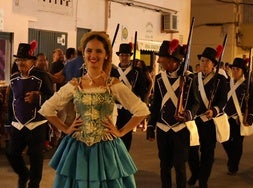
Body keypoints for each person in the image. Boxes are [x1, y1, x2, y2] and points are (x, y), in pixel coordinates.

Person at [38, 31, 150, 188]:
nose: (93, 55)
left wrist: (120, 132)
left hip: (106, 149)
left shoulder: (113, 84)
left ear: (106, 55)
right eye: (89, 50)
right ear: (83, 53)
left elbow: (142, 110)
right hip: (78, 148)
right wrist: (66, 129)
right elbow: (47, 109)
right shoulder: (75, 84)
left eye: (99, 51)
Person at [146, 40, 200, 188]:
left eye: (161, 58)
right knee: (164, 167)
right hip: (163, 129)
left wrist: (188, 114)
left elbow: (196, 102)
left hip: (180, 129)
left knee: (180, 168)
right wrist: (151, 125)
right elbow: (156, 104)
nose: (158, 60)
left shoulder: (190, 78)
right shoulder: (159, 79)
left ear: (171, 60)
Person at [5, 41, 54, 188]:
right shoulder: (13, 78)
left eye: (23, 60)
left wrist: (38, 98)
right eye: (18, 60)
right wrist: (8, 123)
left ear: (32, 61)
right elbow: (10, 102)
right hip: (17, 124)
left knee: (35, 158)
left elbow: (52, 98)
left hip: (37, 124)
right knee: (12, 154)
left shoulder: (42, 76)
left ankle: (34, 185)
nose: (20, 63)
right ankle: (23, 174)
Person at [187, 47, 228, 188]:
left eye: (207, 61)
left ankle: (203, 180)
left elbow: (223, 100)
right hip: (195, 120)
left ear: (213, 64)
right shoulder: (193, 78)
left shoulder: (221, 79)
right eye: (202, 60)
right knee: (191, 152)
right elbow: (190, 99)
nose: (204, 63)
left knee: (207, 153)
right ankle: (195, 173)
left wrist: (215, 110)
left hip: (210, 122)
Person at [222, 58, 253, 175]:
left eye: (238, 69)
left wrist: (249, 117)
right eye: (233, 69)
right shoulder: (227, 82)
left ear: (243, 71)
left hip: (239, 119)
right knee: (224, 140)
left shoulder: (247, 85)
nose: (235, 71)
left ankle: (233, 166)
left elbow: (252, 103)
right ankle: (232, 158)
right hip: (226, 117)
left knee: (237, 143)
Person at [110, 43, 148, 150]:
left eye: (126, 55)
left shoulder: (136, 72)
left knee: (126, 135)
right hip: (114, 108)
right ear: (119, 56)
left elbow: (141, 90)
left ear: (130, 56)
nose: (124, 58)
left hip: (128, 109)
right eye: (122, 55)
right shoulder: (113, 71)